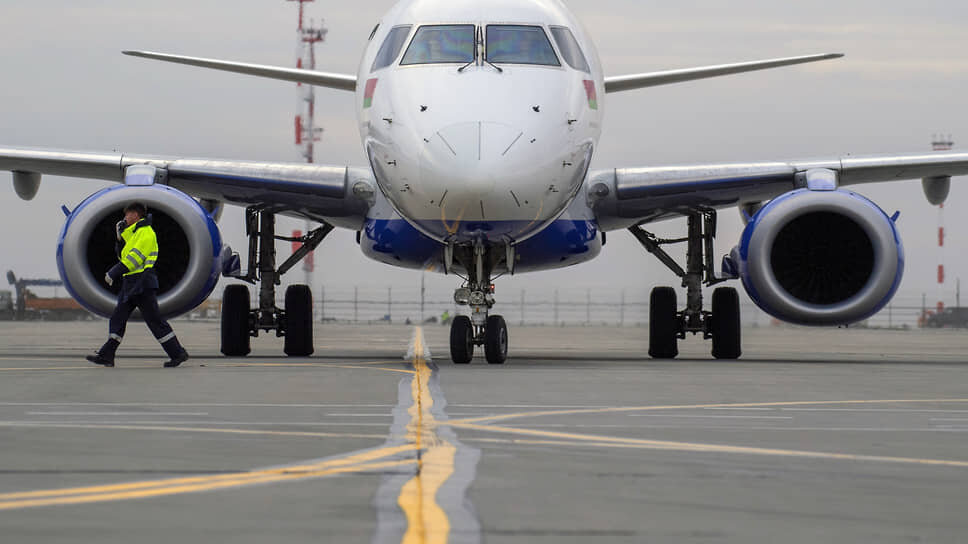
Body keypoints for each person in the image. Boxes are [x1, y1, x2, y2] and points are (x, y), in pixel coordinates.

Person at [87, 202, 189, 368]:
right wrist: (120, 239)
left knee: (154, 321)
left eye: (128, 214)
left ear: (136, 215)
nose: (125, 218)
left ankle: (177, 353)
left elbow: (134, 259)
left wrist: (113, 272)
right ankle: (107, 355)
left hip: (142, 283)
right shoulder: (134, 234)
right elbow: (123, 256)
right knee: (118, 318)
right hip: (131, 283)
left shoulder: (146, 233)